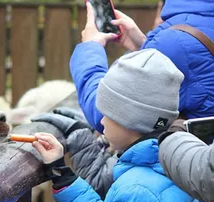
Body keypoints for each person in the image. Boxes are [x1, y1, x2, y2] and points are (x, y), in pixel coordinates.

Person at [31, 49, 201, 202]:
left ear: (130, 121)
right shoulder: (167, 166)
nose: (101, 122)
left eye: (107, 114)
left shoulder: (138, 191)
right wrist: (61, 174)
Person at [73, 1, 214, 134]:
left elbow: (110, 117)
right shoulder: (187, 35)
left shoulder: (176, 43)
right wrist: (145, 47)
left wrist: (89, 49)